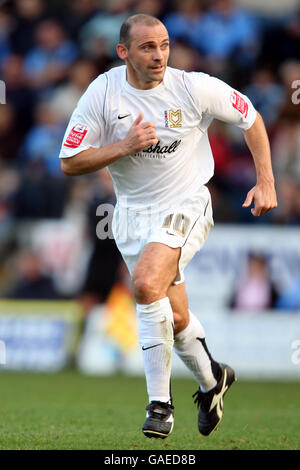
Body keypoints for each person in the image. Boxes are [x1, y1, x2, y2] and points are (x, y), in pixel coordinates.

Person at [59, 14, 277, 439]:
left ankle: (159, 405)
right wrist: (122, 146)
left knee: (143, 285)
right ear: (123, 52)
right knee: (174, 317)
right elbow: (69, 161)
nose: (159, 55)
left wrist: (266, 181)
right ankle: (213, 378)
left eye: (164, 45)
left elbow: (250, 117)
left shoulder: (192, 87)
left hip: (187, 202)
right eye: (147, 47)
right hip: (131, 216)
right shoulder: (102, 92)